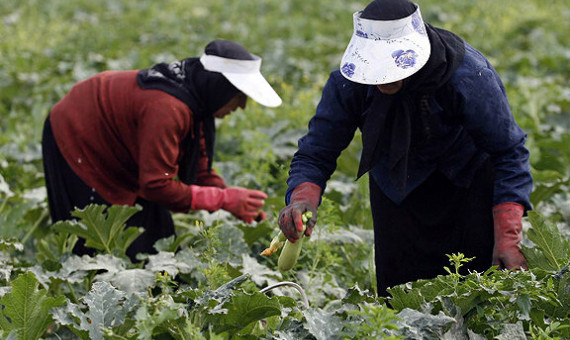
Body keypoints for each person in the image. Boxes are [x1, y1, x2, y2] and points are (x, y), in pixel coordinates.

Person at [278, 0, 533, 297]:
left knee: (474, 296)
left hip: (467, 188)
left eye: (390, 66)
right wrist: (302, 199)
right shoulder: (351, 81)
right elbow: (317, 151)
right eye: (375, 67)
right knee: (400, 299)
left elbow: (509, 152)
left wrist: (508, 236)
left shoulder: (466, 75)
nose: (383, 76)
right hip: (396, 192)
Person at [42, 40, 282, 260]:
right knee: (94, 246)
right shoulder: (168, 109)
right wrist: (223, 199)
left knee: (155, 239)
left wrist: (234, 200)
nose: (241, 106)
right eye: (239, 96)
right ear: (220, 88)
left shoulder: (195, 101)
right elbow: (156, 186)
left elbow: (199, 173)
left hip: (120, 148)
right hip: (77, 134)